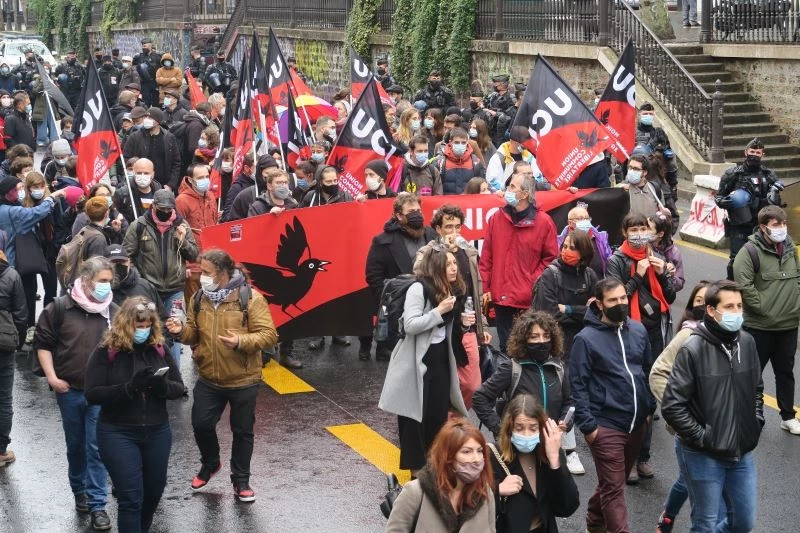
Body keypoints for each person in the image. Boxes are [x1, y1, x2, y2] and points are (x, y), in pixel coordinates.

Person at [165, 248, 277, 502]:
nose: (201, 277)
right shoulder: (198, 298)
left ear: (223, 273)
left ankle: (241, 481)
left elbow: (269, 335)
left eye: (206, 272)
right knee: (201, 424)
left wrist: (240, 341)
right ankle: (211, 463)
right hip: (209, 378)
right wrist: (179, 331)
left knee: (242, 431)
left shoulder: (250, 298)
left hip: (243, 379)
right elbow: (193, 333)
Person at [661, 280, 764, 533]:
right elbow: (673, 406)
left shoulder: (748, 343)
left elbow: (757, 390)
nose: (736, 312)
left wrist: (756, 421)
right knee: (705, 524)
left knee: (744, 522)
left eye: (739, 306)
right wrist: (702, 436)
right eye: (729, 306)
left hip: (741, 451)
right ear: (710, 310)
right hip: (703, 454)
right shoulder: (692, 349)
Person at [85, 297, 184, 533]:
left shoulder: (159, 349)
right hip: (117, 432)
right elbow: (93, 394)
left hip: (157, 430)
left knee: (153, 494)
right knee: (131, 499)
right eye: (138, 326)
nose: (143, 330)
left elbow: (179, 388)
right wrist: (129, 388)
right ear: (126, 324)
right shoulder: (106, 352)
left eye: (147, 325)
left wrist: (161, 387)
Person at [34, 257, 118, 531]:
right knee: (76, 444)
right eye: (102, 281)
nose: (107, 287)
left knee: (96, 447)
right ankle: (78, 489)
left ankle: (97, 505)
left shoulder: (113, 312)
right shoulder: (60, 308)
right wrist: (52, 378)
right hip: (68, 391)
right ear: (85, 280)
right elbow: (44, 344)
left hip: (99, 394)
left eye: (109, 281)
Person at [570, 277, 654, 533]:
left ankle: (594, 521)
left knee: (611, 484)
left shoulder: (639, 330)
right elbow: (578, 384)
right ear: (599, 304)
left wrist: (650, 408)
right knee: (615, 490)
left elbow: (648, 371)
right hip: (606, 426)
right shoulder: (585, 339)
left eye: (623, 299)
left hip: (637, 425)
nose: (620, 304)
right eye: (613, 300)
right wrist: (589, 426)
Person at [378, 246, 471, 471]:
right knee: (413, 420)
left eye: (454, 263)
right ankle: (416, 476)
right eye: (447, 264)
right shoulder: (418, 289)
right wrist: (438, 311)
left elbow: (445, 329)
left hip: (440, 358)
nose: (453, 268)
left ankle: (434, 470)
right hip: (416, 358)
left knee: (437, 417)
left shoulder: (451, 290)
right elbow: (410, 325)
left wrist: (463, 323)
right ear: (436, 267)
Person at [472, 310, 583, 474]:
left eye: (546, 336)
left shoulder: (559, 368)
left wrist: (566, 420)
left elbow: (569, 401)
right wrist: (500, 428)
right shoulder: (511, 368)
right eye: (534, 337)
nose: (542, 341)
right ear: (524, 340)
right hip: (518, 446)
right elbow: (479, 397)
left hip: (549, 446)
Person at [732, 205, 800, 435]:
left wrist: (795, 305)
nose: (781, 229)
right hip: (759, 326)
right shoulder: (749, 252)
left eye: (783, 224)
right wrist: (764, 308)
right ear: (763, 227)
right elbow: (743, 286)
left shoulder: (790, 249)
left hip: (788, 325)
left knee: (786, 371)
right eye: (775, 225)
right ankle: (744, 415)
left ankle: (788, 416)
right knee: (751, 372)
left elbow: (797, 279)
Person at [649, 280, 709, 533]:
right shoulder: (687, 335)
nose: (705, 306)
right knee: (692, 482)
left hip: (721, 428)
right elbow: (658, 373)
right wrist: (678, 411)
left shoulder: (733, 337)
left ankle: (672, 517)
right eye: (699, 301)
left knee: (695, 480)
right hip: (690, 427)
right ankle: (669, 517)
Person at [479, 171, 557, 352]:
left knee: (529, 350)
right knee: (507, 350)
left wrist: (531, 281)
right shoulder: (496, 219)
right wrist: (486, 288)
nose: (507, 190)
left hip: (528, 300)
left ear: (524, 194)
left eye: (512, 186)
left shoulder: (544, 222)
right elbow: (486, 258)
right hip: (501, 299)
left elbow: (551, 259)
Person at [123, 189, 198, 369]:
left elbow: (194, 254)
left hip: (175, 290)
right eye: (162, 208)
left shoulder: (181, 225)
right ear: (154, 206)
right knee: (147, 332)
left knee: (175, 331)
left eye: (169, 209)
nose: (165, 212)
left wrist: (182, 241)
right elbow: (127, 257)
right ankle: (149, 372)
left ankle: (175, 376)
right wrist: (140, 281)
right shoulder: (139, 225)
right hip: (149, 289)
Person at [488, 394, 580, 533]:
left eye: (533, 428)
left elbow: (567, 507)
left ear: (542, 428)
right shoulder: (494, 456)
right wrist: (497, 491)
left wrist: (554, 460)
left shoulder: (549, 453)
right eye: (519, 428)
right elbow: (474, 508)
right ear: (510, 428)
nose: (526, 435)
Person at [385, 418, 495, 532]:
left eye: (480, 451)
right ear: (448, 456)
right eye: (467, 452)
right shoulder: (415, 492)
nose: (476, 459)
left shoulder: (484, 493)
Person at [363, 193, 436, 361]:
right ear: (398, 215)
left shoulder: (430, 234)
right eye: (411, 211)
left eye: (418, 210)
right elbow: (373, 275)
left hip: (429, 301)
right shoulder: (383, 241)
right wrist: (389, 298)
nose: (416, 214)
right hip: (398, 306)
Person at [716, 137, 782, 280]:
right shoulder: (733, 174)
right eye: (752, 151)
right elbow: (719, 197)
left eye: (758, 153)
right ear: (745, 152)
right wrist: (724, 202)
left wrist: (775, 194)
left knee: (762, 261)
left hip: (762, 227)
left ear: (763, 154)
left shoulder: (769, 175)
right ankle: (732, 289)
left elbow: (778, 205)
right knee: (736, 261)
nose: (754, 155)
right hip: (739, 226)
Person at [0, 247, 26, 468]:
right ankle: (0, 450)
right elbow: (21, 314)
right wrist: (19, 341)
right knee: (4, 398)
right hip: (4, 342)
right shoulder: (11, 275)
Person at [123, 107, 182, 191]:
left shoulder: (169, 138)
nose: (146, 120)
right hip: (140, 184)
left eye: (150, 118)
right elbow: (126, 158)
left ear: (158, 121)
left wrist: (171, 184)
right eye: (146, 117)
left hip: (163, 186)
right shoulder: (135, 137)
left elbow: (176, 163)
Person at [556, 205, 612, 277]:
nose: (585, 221)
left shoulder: (600, 239)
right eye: (580, 219)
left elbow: (609, 261)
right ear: (570, 223)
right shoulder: (561, 242)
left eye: (587, 218)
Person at [485, 127, 543, 193]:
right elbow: (491, 181)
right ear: (514, 141)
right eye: (524, 143)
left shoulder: (529, 157)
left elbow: (539, 177)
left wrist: (529, 188)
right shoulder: (498, 158)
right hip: (506, 198)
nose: (526, 146)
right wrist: (509, 191)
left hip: (526, 196)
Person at [225, 154, 279, 222]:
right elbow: (233, 222)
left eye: (275, 173)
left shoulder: (284, 194)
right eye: (267, 173)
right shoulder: (245, 195)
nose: (271, 178)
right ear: (260, 173)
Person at [113, 158, 164, 224]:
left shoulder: (160, 194)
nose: (142, 176)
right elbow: (116, 217)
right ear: (134, 173)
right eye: (139, 173)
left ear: (153, 174)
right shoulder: (122, 194)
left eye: (146, 173)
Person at [435, 127, 485, 194]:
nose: (460, 145)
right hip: (447, 203)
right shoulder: (440, 163)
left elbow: (483, 187)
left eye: (463, 142)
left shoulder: (476, 163)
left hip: (469, 203)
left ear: (467, 143)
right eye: (457, 142)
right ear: (450, 142)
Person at [624, 153, 671, 220]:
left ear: (645, 172)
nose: (631, 171)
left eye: (636, 169)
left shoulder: (654, 189)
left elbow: (662, 216)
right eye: (630, 167)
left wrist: (666, 216)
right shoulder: (623, 189)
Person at [649, 213, 685, 292]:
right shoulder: (642, 244)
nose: (643, 231)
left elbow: (679, 283)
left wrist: (670, 275)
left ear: (660, 234)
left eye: (649, 229)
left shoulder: (674, 253)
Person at [220, 152, 256, 220]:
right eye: (257, 167)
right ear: (246, 168)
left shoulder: (261, 184)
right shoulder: (237, 188)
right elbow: (228, 215)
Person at [132, 38, 162, 107]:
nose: (143, 47)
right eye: (142, 46)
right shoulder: (138, 57)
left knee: (156, 103)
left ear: (150, 45)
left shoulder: (158, 56)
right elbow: (134, 67)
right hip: (144, 84)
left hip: (155, 83)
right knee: (145, 103)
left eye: (145, 46)